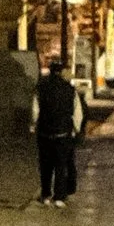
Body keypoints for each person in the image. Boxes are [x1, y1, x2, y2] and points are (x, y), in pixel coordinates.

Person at [33, 55, 83, 204]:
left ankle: (46, 194)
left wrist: (34, 124)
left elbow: (35, 110)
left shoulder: (41, 87)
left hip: (45, 132)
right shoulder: (69, 89)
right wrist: (75, 128)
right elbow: (77, 112)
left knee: (45, 165)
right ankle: (59, 196)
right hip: (63, 132)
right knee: (61, 164)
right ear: (61, 72)